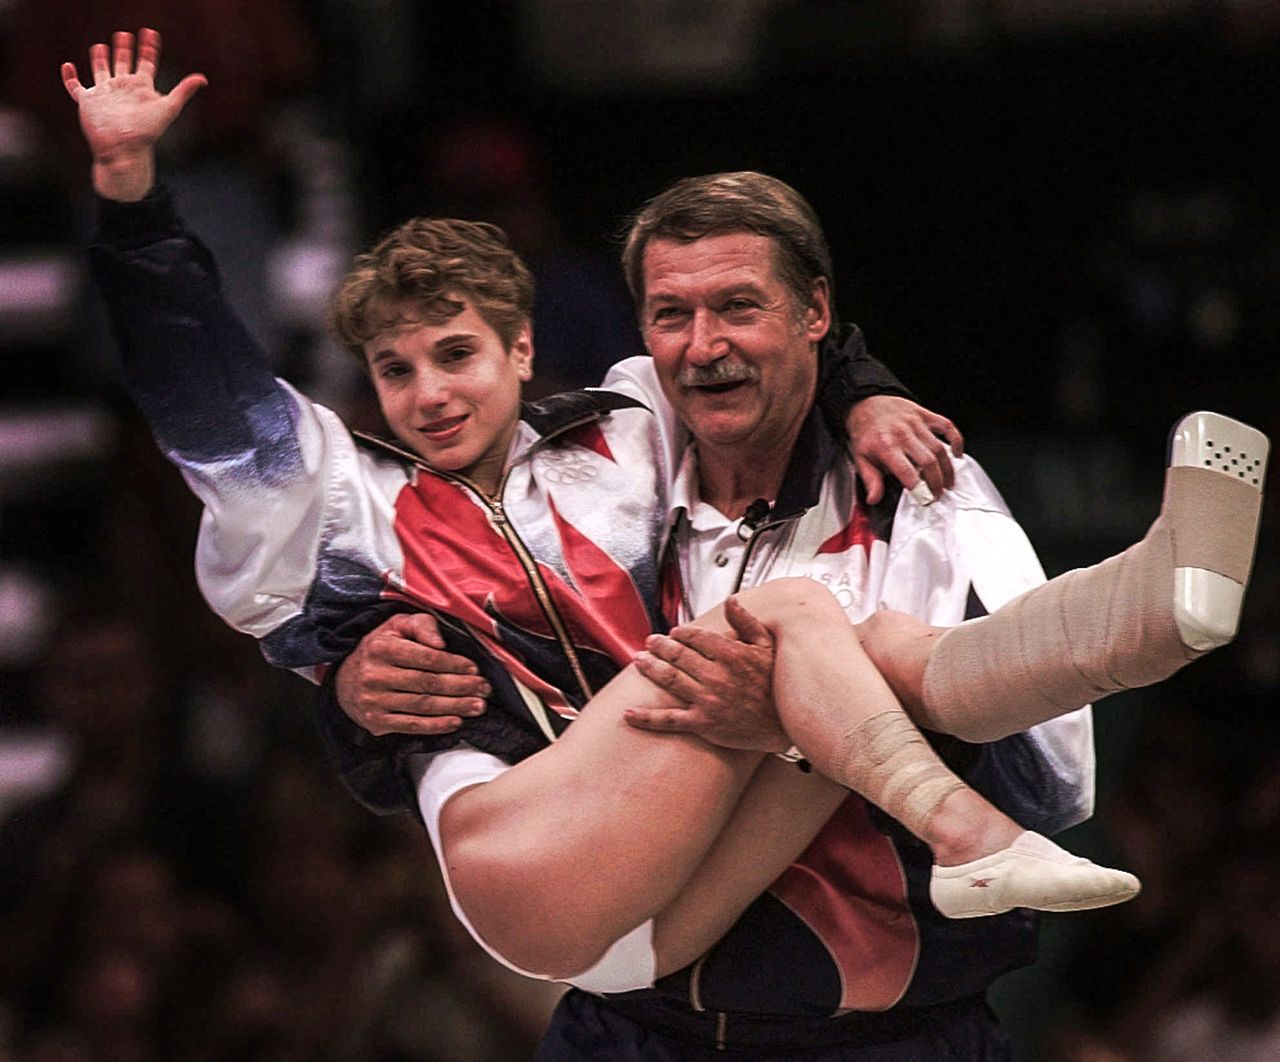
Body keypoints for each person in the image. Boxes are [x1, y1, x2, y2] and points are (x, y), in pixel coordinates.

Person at [68, 29, 1267, 1060]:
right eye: (396, 370)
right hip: (568, 904)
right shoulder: (356, 500)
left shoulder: (642, 447)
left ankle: (1146, 618)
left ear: (527, 352)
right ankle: (1105, 657)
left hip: (842, 992)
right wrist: (133, 204)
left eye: (458, 356)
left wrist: (857, 392)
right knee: (798, 630)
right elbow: (209, 407)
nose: (430, 395)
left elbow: (1053, 776)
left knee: (831, 642)